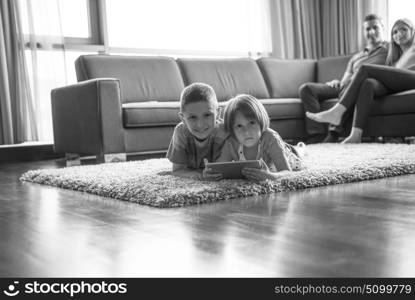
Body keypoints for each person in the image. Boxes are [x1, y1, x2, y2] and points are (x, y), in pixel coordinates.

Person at [306, 18, 415, 143]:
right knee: (368, 84)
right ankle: (356, 134)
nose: (399, 34)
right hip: (396, 83)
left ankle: (337, 111)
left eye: (403, 30)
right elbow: (393, 73)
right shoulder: (393, 55)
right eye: (395, 32)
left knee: (364, 69)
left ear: (412, 31)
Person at [298, 14, 388, 144]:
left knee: (354, 85)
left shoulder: (388, 49)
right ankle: (316, 136)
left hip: (365, 84)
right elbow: (346, 79)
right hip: (346, 86)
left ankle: (333, 132)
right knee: (306, 89)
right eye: (367, 29)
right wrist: (337, 82)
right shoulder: (357, 56)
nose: (371, 32)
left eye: (375, 27)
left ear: (383, 28)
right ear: (364, 32)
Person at [215, 94, 305, 181]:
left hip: (287, 154)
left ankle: (300, 148)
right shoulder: (231, 142)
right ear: (232, 129)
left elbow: (287, 172)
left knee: (298, 154)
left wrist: (271, 176)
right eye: (239, 126)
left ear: (261, 122)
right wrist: (211, 173)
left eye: (251, 123)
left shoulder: (270, 138)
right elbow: (218, 168)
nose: (246, 132)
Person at [167, 82, 228, 180]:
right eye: (192, 117)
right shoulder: (181, 132)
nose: (200, 124)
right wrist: (199, 175)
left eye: (207, 115)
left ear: (218, 113)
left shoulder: (224, 131)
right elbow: (178, 170)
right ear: (183, 119)